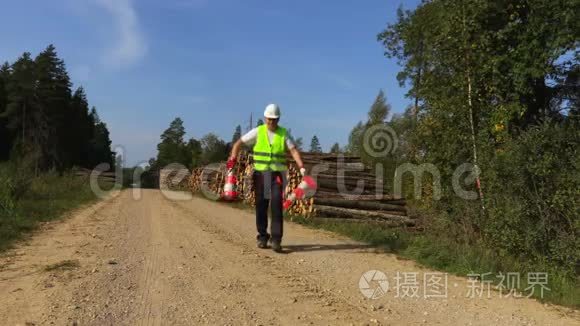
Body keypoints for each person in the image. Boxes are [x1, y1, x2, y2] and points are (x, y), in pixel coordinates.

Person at [228, 104, 305, 252]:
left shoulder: (284, 134)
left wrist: (301, 166)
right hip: (261, 174)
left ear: (278, 119)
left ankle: (276, 239)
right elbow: (239, 143)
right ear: (265, 118)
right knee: (261, 206)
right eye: (269, 119)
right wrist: (233, 157)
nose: (272, 122)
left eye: (275, 120)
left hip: (277, 175)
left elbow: (293, 150)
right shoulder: (258, 131)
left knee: (276, 205)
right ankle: (263, 236)